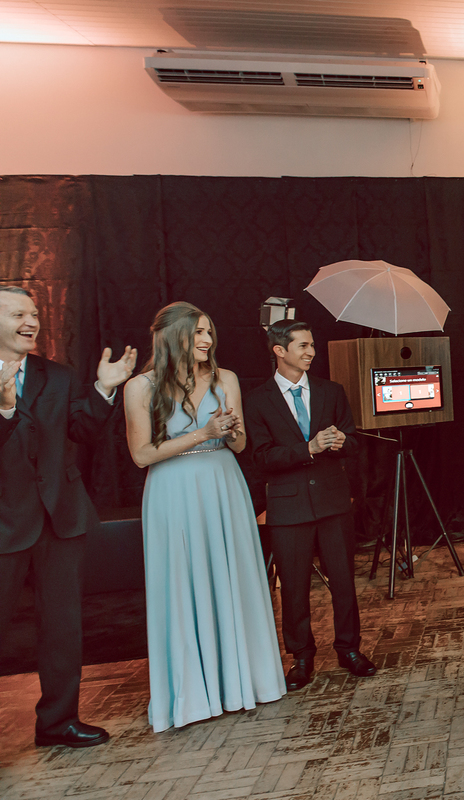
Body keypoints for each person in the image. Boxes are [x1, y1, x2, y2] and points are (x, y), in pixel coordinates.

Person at [124, 302, 286, 732]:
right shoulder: (140, 387)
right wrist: (202, 432)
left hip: (223, 483)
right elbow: (141, 455)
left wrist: (230, 430)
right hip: (172, 491)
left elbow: (240, 445)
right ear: (172, 335)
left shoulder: (224, 378)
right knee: (183, 581)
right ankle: (193, 694)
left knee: (232, 576)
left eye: (209, 332)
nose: (207, 340)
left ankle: (244, 681)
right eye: (198, 332)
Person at [0, 287, 137, 748]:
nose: (31, 321)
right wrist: (4, 409)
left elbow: (82, 430)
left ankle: (58, 723)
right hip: (4, 522)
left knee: (62, 626)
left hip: (60, 516)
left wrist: (104, 389)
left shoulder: (56, 375)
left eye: (35, 313)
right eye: (19, 314)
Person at [244, 320, 376, 691]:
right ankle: (301, 657)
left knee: (344, 582)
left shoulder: (331, 391)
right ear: (279, 351)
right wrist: (308, 448)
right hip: (288, 508)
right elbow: (261, 457)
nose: (311, 352)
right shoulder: (256, 400)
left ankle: (349, 649)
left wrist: (341, 442)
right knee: (294, 587)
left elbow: (354, 441)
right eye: (303, 345)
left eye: (312, 345)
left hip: (333, 502)